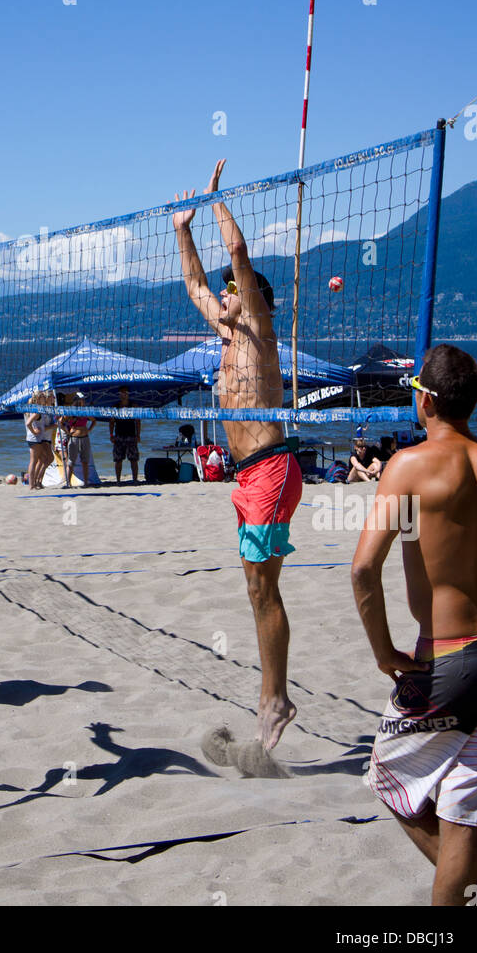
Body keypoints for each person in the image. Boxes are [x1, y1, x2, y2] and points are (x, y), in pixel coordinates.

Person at [352, 345, 477, 906]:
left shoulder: (408, 466)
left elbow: (365, 568)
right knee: (463, 813)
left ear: (426, 400)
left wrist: (382, 650)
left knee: (389, 777)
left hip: (451, 658)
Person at [173, 159, 302, 751]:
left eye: (231, 291)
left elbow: (238, 257)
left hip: (272, 469)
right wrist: (181, 230)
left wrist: (217, 200)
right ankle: (273, 696)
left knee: (261, 589)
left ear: (249, 299)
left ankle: (274, 699)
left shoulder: (258, 327)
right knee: (256, 588)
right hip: (246, 477)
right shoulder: (226, 334)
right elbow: (195, 284)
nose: (220, 296)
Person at [24, 391, 55, 490]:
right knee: (34, 461)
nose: (44, 398)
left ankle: (34, 483)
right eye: (42, 396)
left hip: (38, 438)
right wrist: (34, 431)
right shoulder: (37, 410)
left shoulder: (38, 409)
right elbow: (28, 423)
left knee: (42, 459)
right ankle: (31, 484)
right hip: (35, 439)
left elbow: (31, 422)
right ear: (37, 399)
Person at [110, 388, 140, 483]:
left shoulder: (133, 406)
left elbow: (138, 421)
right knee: (118, 460)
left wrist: (138, 435)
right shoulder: (115, 406)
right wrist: (111, 435)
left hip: (131, 435)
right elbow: (111, 422)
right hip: (119, 435)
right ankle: (118, 480)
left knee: (134, 459)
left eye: (126, 393)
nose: (124, 395)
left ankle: (135, 480)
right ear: (119, 394)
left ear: (128, 394)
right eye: (122, 393)